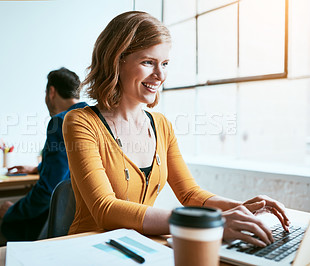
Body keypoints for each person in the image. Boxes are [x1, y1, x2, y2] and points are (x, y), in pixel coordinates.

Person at [62, 11, 290, 248]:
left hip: (139, 247)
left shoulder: (161, 125)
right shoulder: (81, 122)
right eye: (148, 62)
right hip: (89, 249)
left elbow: (190, 194)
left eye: (165, 64)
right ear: (116, 60)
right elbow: (105, 209)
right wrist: (211, 223)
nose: (160, 75)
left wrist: (240, 209)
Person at [0, 67, 88, 254]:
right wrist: (39, 168)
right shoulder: (89, 117)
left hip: (43, 225)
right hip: (78, 226)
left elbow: (48, 191)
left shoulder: (60, 122)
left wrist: (12, 212)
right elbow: (75, 166)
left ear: (51, 92)